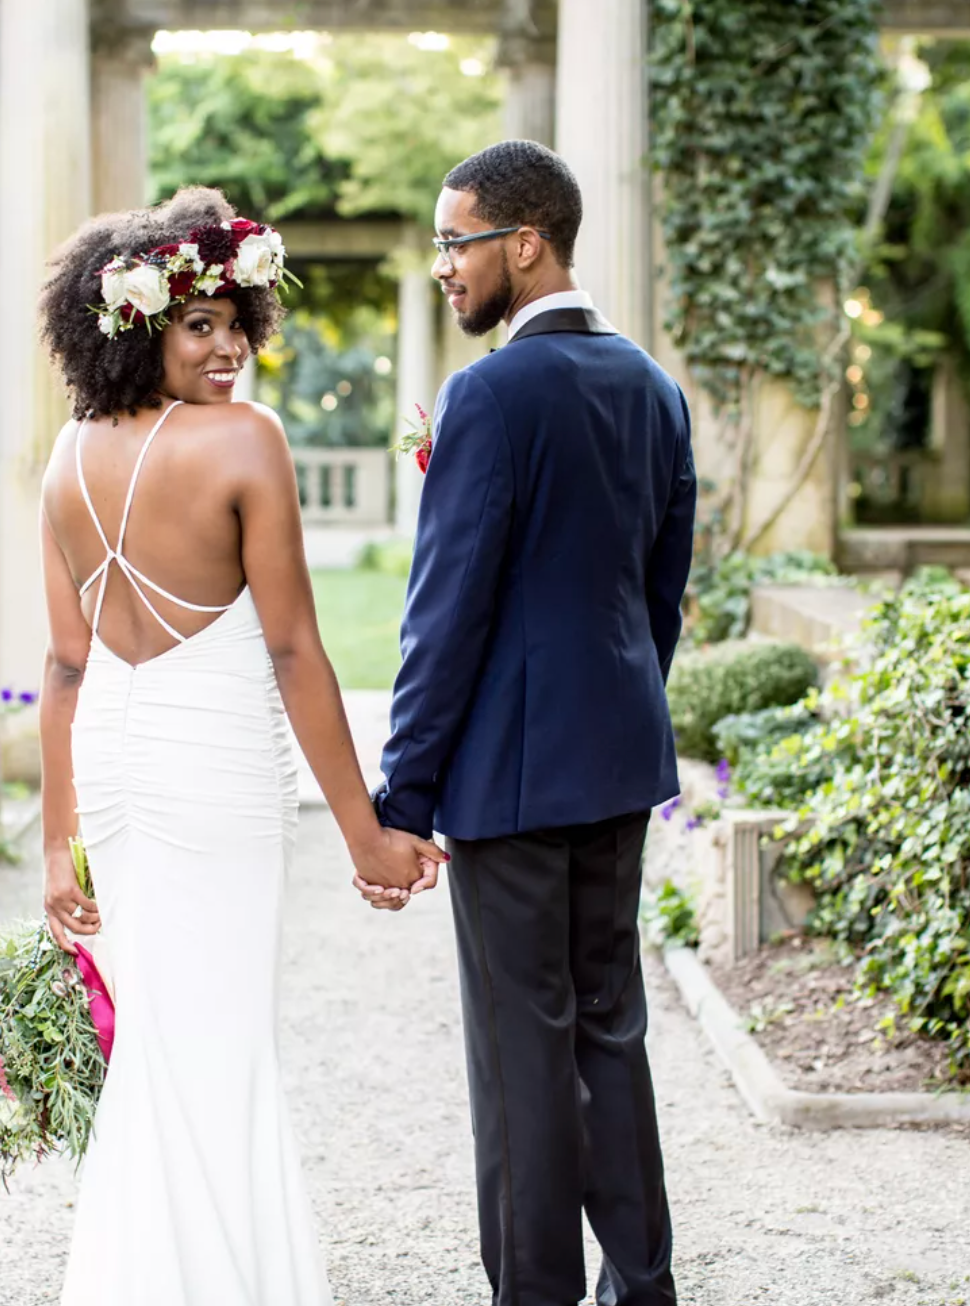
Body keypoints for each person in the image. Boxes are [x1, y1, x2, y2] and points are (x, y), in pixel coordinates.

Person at [33, 187, 445, 1306]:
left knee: (167, 1037)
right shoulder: (247, 443)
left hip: (115, 771)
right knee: (212, 1038)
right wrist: (367, 835)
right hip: (211, 771)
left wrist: (56, 843)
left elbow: (68, 672)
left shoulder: (64, 460)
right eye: (195, 324)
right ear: (135, 328)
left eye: (234, 321)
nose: (226, 349)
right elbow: (296, 650)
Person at [365, 141, 696, 1306]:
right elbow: (658, 595)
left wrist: (401, 800)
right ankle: (640, 1288)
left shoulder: (492, 393)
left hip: (509, 783)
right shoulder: (652, 387)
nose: (441, 267)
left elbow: (442, 613)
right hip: (614, 766)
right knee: (608, 1030)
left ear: (524, 242)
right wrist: (612, 716)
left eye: (455, 242)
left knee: (519, 1058)